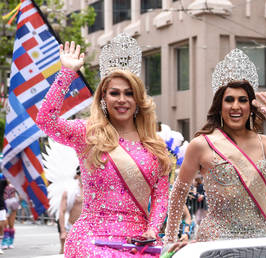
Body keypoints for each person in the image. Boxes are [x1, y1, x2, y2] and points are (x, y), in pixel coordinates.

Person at [164, 49, 266, 248]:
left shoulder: (265, 143)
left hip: (261, 242)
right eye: (229, 100)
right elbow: (179, 193)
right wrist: (170, 240)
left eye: (242, 100)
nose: (236, 106)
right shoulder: (201, 144)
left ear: (251, 107)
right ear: (219, 106)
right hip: (216, 243)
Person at [36, 34, 170, 257]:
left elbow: (160, 196)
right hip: (90, 239)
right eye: (114, 93)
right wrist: (67, 73)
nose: (122, 99)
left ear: (138, 100)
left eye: (129, 93)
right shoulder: (87, 133)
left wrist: (153, 229)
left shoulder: (155, 146)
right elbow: (46, 121)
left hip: (137, 241)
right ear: (103, 99)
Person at [58, 168, 83, 254]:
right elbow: (61, 211)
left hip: (86, 229)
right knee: (64, 252)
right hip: (71, 227)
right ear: (78, 175)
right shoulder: (69, 190)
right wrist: (63, 231)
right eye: (82, 174)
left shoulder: (93, 190)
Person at [2, 182, 20, 249]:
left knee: (11, 224)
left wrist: (19, 200)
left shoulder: (14, 181)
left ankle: (11, 242)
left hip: (13, 204)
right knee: (5, 224)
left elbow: (21, 191)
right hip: (3, 204)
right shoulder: (2, 181)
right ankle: (4, 242)